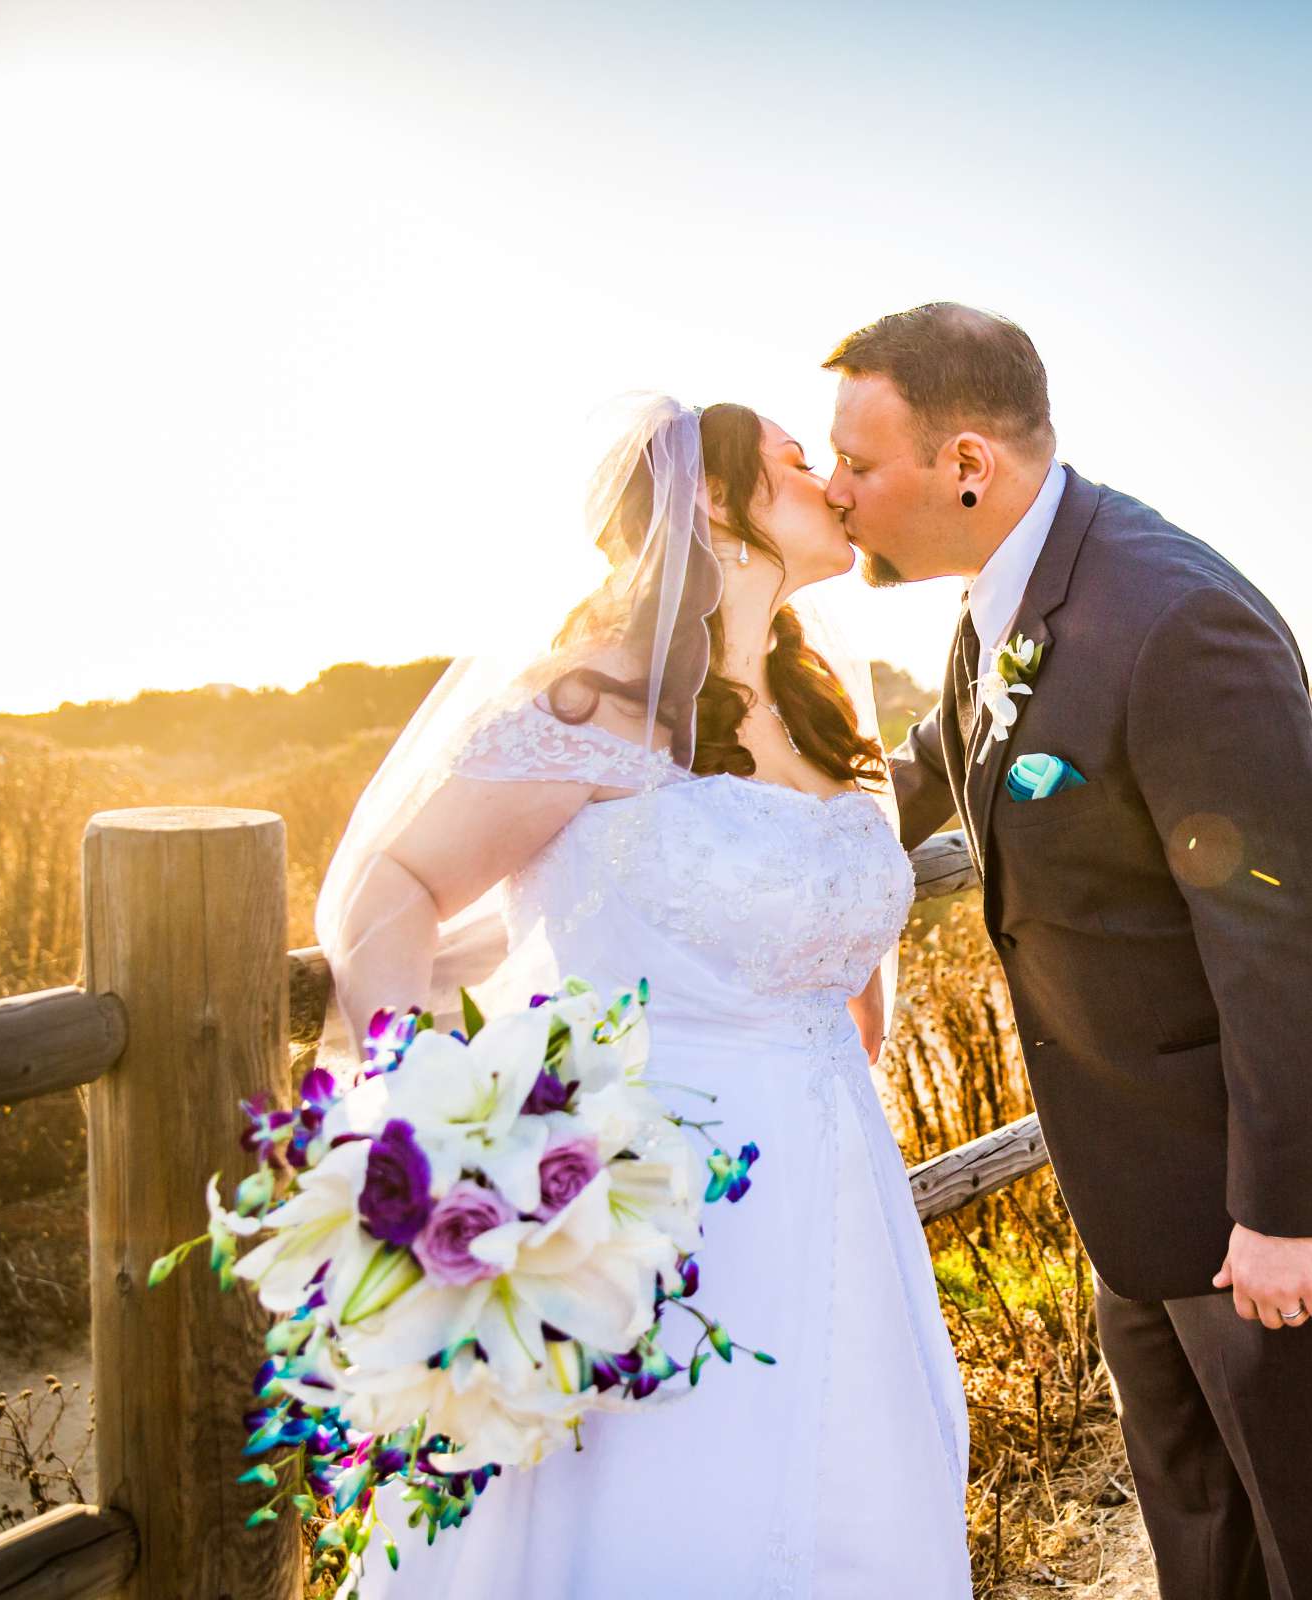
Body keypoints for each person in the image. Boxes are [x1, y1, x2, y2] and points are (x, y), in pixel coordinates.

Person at [830, 303, 1312, 1600]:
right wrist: (740, 811)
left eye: (859, 461)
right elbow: (918, 776)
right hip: (1139, 1175)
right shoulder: (1000, 601)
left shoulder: (1175, 616)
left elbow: (1284, 933)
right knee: (1201, 1535)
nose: (838, 492)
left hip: (1271, 1177)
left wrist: (1288, 1213)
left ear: (968, 463)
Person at [317, 395, 972, 1598]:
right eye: (794, 460)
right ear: (717, 504)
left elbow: (840, 980)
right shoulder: (595, 706)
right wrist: (424, 1124)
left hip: (837, 1196)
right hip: (640, 1205)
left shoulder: (824, 715)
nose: (831, 477)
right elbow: (397, 885)